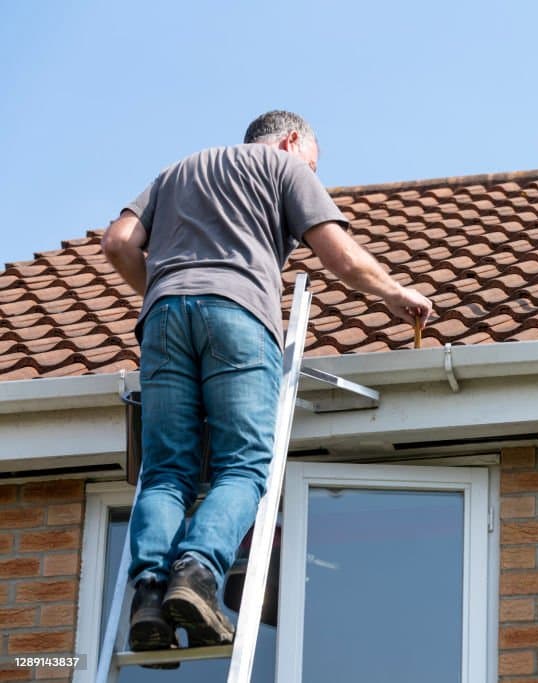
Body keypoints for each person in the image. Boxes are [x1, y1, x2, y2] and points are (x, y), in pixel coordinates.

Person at [101, 110, 433, 656]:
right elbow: (339, 257)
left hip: (161, 318)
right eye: (316, 165)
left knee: (164, 472)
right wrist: (394, 293)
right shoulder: (282, 167)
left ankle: (148, 595)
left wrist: (164, 292)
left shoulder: (176, 172)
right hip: (237, 314)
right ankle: (198, 572)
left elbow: (117, 244)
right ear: (293, 139)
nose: (315, 175)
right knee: (243, 465)